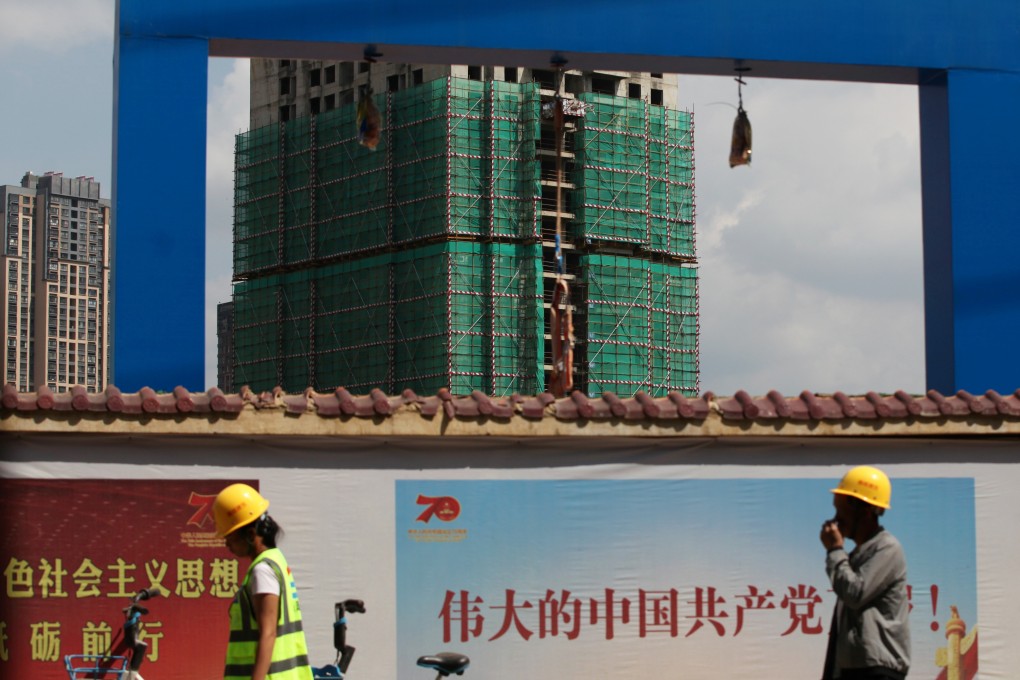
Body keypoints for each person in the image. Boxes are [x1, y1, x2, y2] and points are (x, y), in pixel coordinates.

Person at [214, 483, 313, 680]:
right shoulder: (276, 560)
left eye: (230, 538)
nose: (226, 545)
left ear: (250, 535)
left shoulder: (262, 571)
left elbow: (268, 633)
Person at [819, 466, 911, 680]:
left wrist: (834, 550)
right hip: (855, 669)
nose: (836, 520)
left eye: (841, 512)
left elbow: (854, 593)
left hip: (876, 671)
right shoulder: (858, 554)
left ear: (865, 511)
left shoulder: (887, 548)